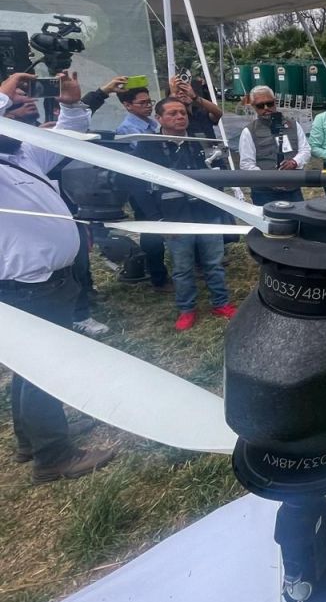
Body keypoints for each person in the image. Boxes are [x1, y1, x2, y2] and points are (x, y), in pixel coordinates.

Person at [0, 71, 117, 483]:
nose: (28, 123)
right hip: (27, 285)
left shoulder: (19, 156)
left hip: (47, 281)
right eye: (18, 115)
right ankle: (54, 455)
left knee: (28, 365)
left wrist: (70, 104)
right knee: (43, 367)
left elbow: (63, 139)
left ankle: (31, 439)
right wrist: (1, 98)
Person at [132, 97, 236, 331]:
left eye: (182, 112)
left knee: (214, 263)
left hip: (207, 214)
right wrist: (157, 219)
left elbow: (219, 173)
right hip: (174, 218)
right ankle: (187, 308)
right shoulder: (147, 146)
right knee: (182, 267)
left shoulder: (198, 141)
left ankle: (221, 303)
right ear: (159, 119)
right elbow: (138, 185)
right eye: (172, 113)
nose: (180, 117)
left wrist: (219, 205)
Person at [113, 86, 172, 292]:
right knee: (152, 231)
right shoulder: (127, 130)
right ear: (127, 105)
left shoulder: (152, 123)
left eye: (149, 101)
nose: (148, 105)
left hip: (160, 185)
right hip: (143, 189)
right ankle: (158, 277)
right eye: (142, 103)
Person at [238, 85, 310, 207]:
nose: (266, 108)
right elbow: (246, 164)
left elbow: (305, 150)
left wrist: (294, 162)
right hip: (264, 193)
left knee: (298, 223)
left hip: (293, 189)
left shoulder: (293, 125)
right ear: (254, 107)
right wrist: (269, 179)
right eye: (261, 106)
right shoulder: (248, 131)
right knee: (269, 225)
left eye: (270, 104)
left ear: (275, 102)